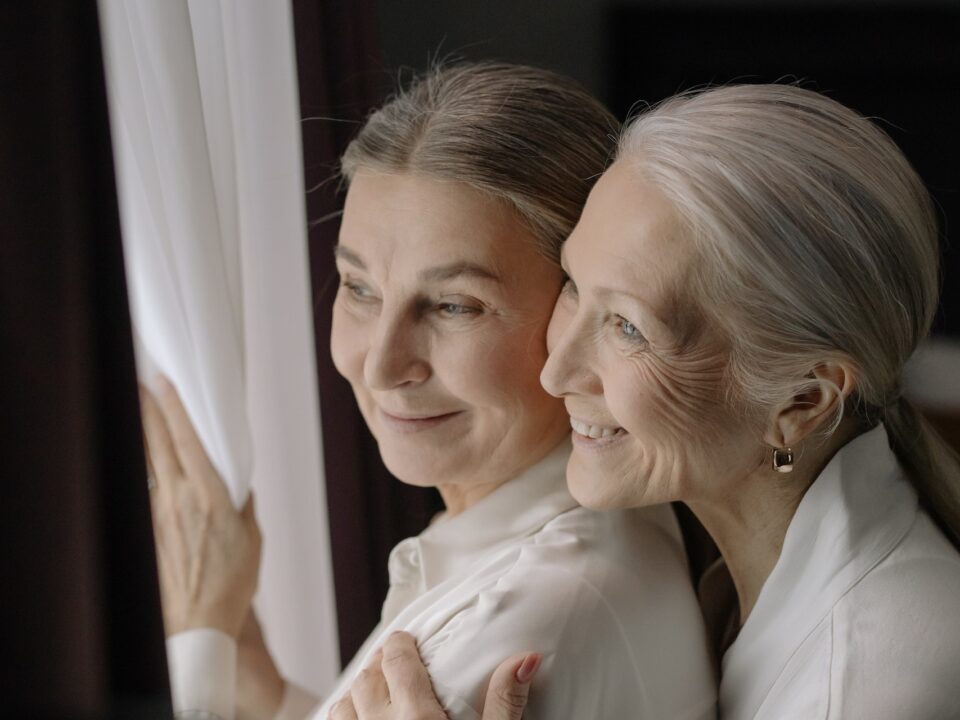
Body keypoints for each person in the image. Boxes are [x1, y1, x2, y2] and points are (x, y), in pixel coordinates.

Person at [340, 83, 960, 719]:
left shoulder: (860, 693)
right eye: (575, 288)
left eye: (629, 327)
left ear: (801, 400)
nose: (555, 372)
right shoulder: (742, 573)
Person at [141, 63, 717, 720]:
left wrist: (197, 642)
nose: (383, 366)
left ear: (581, 313)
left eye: (454, 306)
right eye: (360, 289)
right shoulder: (541, 549)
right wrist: (252, 677)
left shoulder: (529, 622)